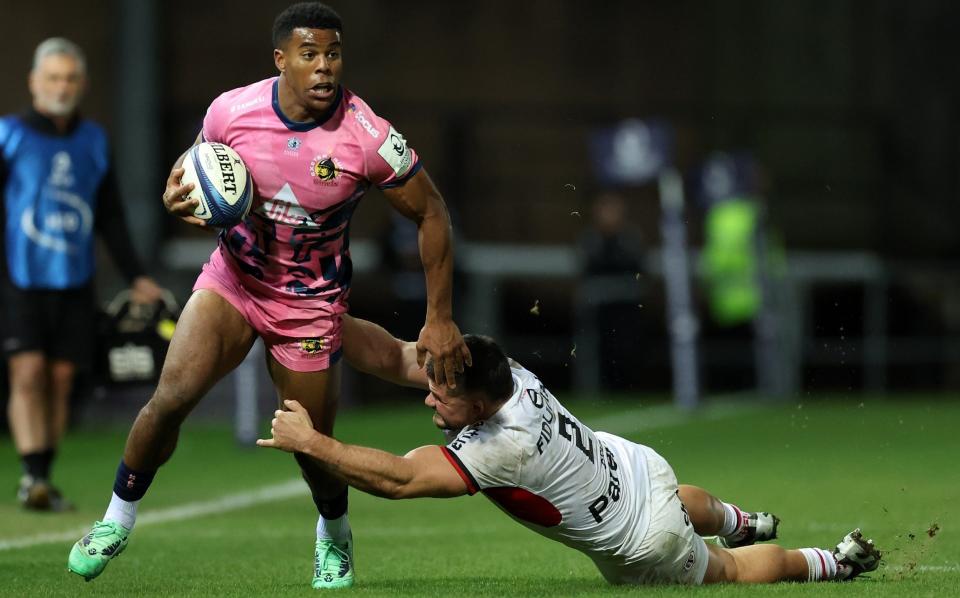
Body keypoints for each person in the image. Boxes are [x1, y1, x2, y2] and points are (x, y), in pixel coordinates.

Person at [67, 2, 469, 590]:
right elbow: (196, 166)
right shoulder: (233, 109)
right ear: (281, 60)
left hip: (309, 305)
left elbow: (432, 212)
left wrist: (439, 317)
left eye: (333, 53)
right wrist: (175, 193)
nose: (325, 67)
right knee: (171, 395)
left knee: (311, 447)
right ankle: (115, 519)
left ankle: (333, 535)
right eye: (310, 55)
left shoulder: (368, 137)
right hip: (234, 281)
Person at [255, 314, 882, 586]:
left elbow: (398, 480)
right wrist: (322, 317)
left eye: (439, 397)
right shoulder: (504, 373)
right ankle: (744, 520)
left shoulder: (502, 449)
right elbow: (394, 355)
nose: (428, 399)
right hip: (635, 467)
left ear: (474, 407)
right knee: (679, 500)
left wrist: (312, 442)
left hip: (644, 540)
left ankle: (834, 561)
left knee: (732, 571)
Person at [0, 38, 163, 512]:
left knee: (62, 379)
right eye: (52, 77)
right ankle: (32, 477)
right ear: (34, 82)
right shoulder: (8, 136)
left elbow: (110, 215)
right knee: (27, 373)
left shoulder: (94, 140)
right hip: (19, 278)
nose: (61, 86)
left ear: (83, 84)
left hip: (76, 279)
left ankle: (42, 477)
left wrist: (136, 275)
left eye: (70, 78)